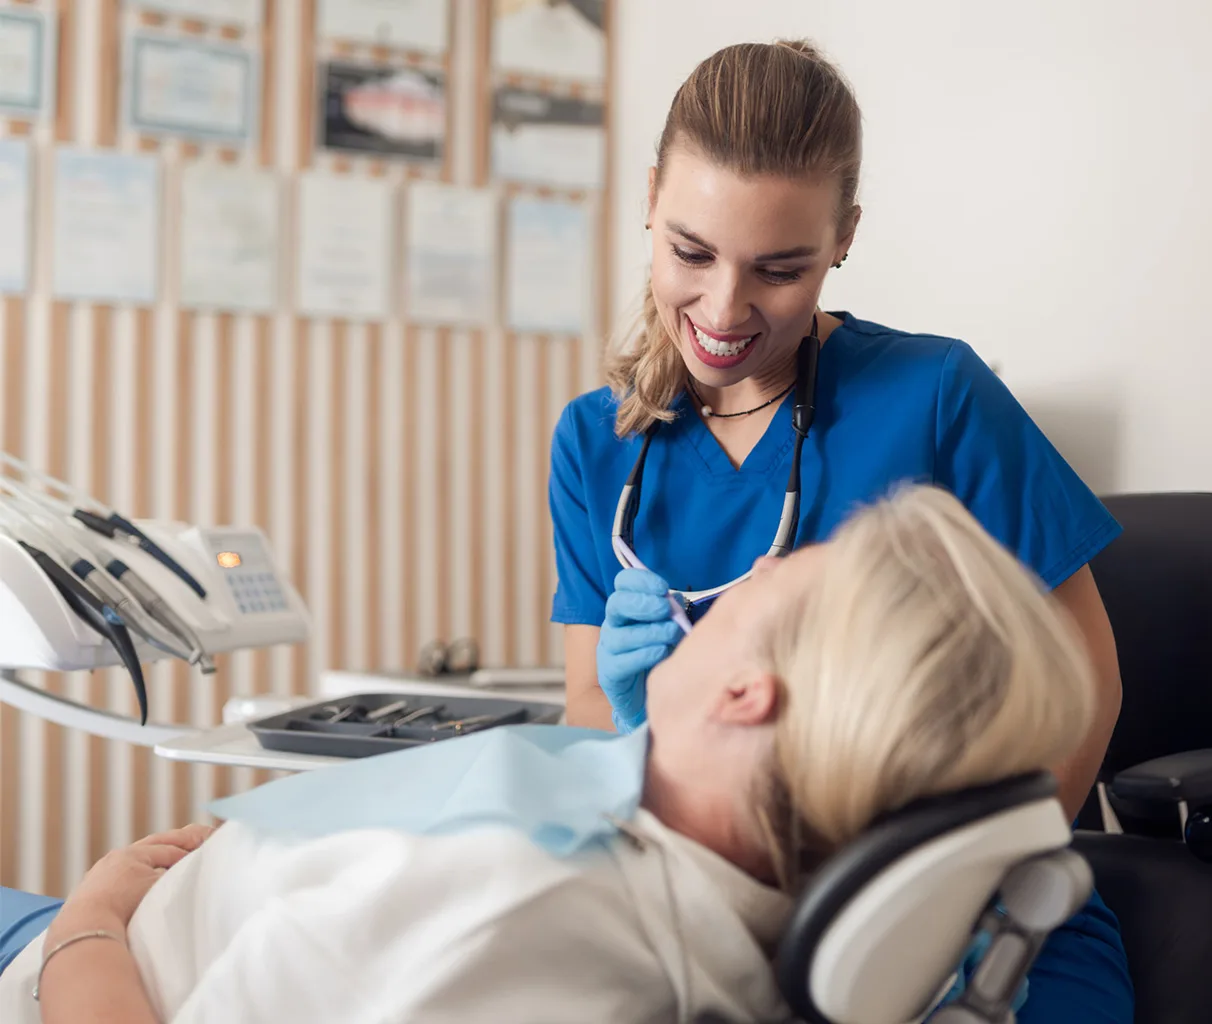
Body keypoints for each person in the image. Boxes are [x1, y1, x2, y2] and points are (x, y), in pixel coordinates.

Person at [0, 486, 1098, 1023]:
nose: (729, 587)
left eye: (766, 577)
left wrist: (88, 919)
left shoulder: (503, 906)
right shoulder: (753, 892)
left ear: (741, 690)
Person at [548, 39, 1132, 1023]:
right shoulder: (596, 444)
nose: (723, 309)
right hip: (711, 920)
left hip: (975, 927)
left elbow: (1088, 684)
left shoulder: (935, 398)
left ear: (843, 236)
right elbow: (582, 727)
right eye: (690, 252)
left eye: (779, 268)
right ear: (648, 197)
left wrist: (950, 910)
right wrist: (628, 711)